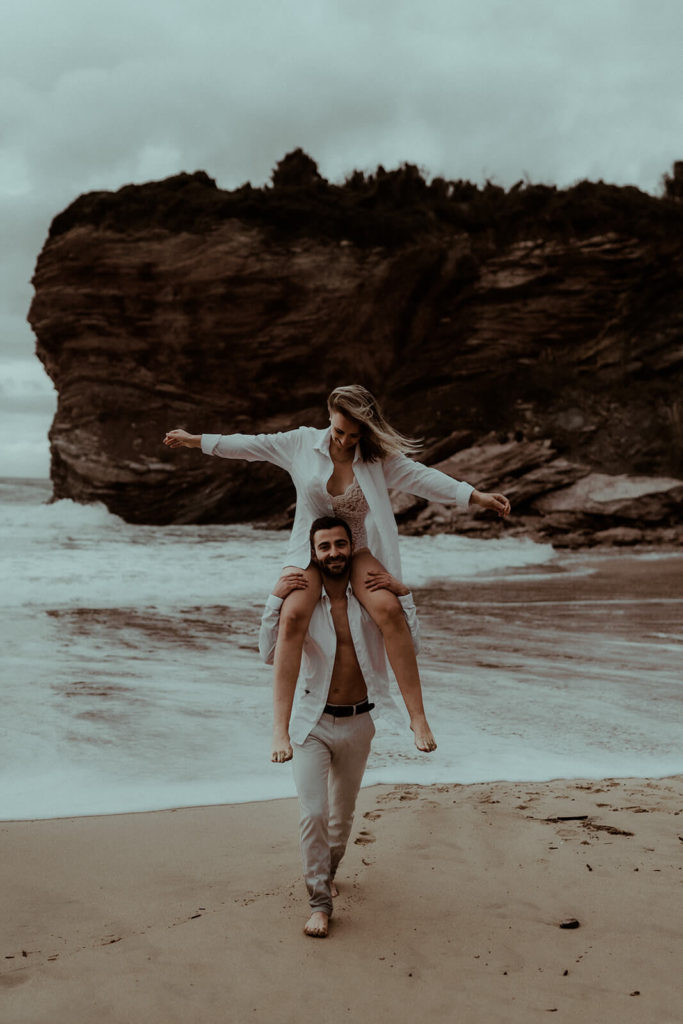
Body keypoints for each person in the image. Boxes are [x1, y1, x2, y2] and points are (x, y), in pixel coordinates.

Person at [163, 384, 510, 759]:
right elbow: (250, 445)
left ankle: (418, 717)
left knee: (389, 609)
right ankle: (280, 729)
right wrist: (194, 440)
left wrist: (474, 497)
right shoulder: (300, 443)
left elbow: (422, 478)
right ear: (329, 416)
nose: (345, 440)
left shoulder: (377, 459)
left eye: (354, 435)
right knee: (292, 616)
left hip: (356, 547)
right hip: (310, 548)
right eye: (340, 430)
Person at [259, 516, 421, 938]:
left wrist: (406, 596)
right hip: (311, 724)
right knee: (313, 813)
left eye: (340, 545)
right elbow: (269, 653)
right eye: (325, 547)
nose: (334, 553)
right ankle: (320, 903)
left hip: (358, 722)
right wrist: (273, 602)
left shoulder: (368, 602)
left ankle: (326, 873)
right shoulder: (304, 606)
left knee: (341, 819)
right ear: (314, 554)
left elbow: (409, 643)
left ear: (351, 547)